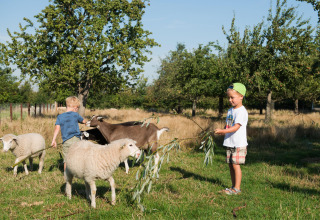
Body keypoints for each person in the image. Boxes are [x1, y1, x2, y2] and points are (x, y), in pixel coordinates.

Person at [214, 83, 248, 195]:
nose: (230, 100)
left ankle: (237, 189)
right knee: (230, 164)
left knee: (235, 165)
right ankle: (233, 187)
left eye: (232, 97)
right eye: (228, 97)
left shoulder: (242, 111)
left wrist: (223, 131)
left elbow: (236, 127)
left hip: (238, 143)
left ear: (241, 96)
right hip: (230, 142)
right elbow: (229, 125)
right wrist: (223, 130)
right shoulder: (230, 111)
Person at [51, 96, 86, 171]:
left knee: (66, 159)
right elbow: (83, 121)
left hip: (66, 141)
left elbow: (57, 128)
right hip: (76, 140)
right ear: (75, 107)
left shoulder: (60, 116)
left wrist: (53, 140)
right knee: (77, 157)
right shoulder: (75, 115)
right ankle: (77, 172)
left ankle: (66, 175)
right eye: (78, 108)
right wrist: (86, 122)